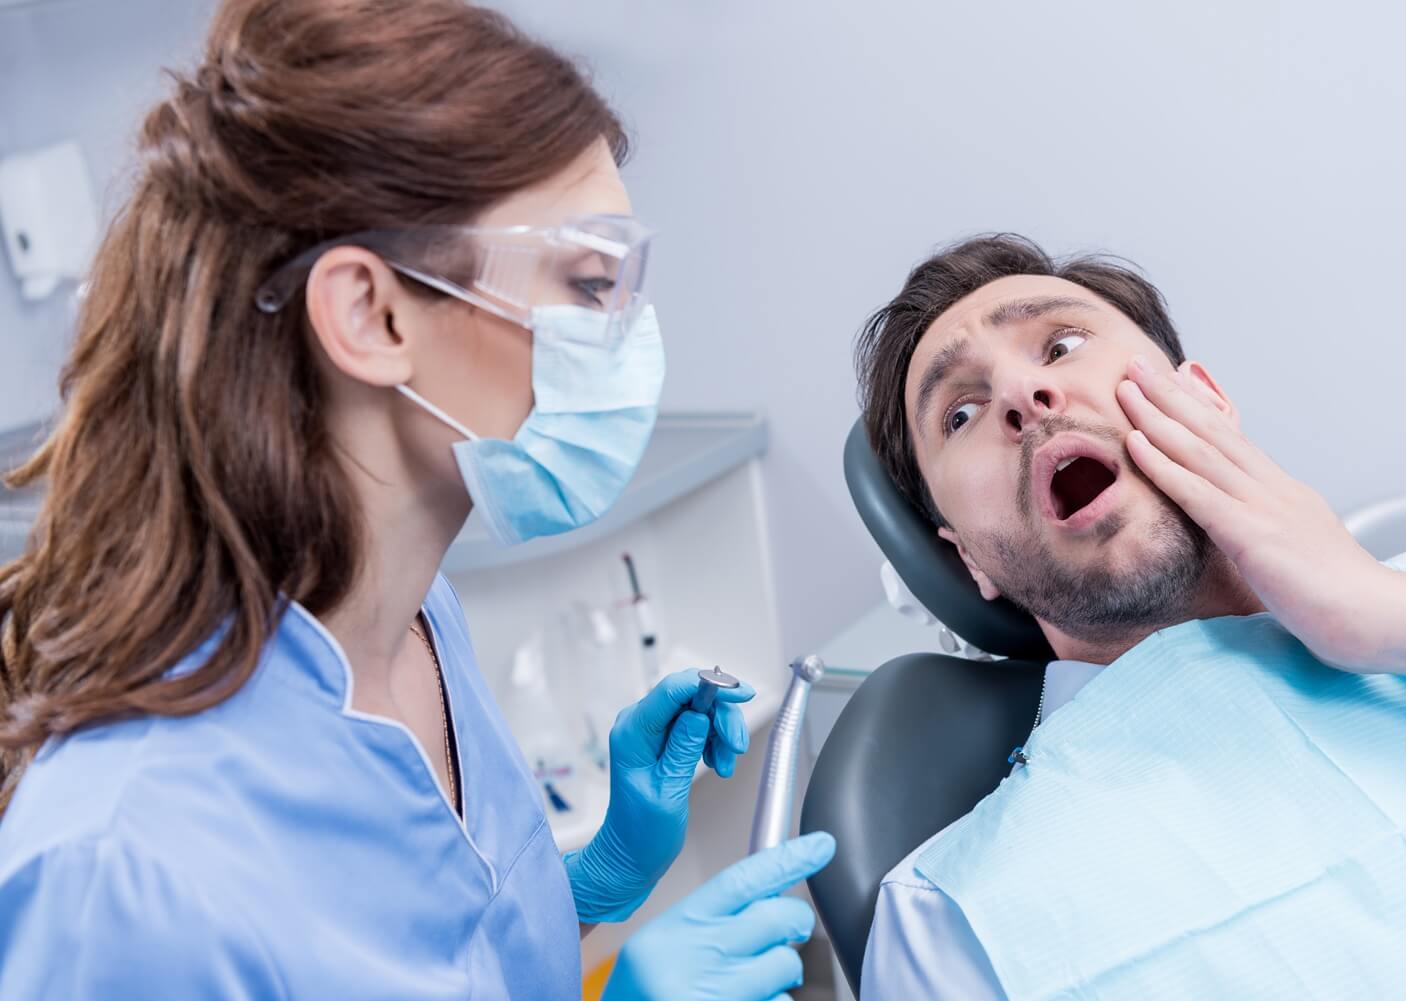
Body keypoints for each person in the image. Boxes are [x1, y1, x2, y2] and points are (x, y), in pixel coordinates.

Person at [0, 2, 832, 999]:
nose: (625, 338)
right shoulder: (122, 872)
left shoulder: (414, 625)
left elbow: (419, 963)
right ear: (371, 313)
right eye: (587, 280)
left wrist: (593, 878)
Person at [850, 233, 1406, 998]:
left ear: (1204, 401)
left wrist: (1387, 613)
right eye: (960, 413)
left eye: (1060, 345)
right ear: (970, 563)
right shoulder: (953, 918)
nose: (1024, 398)